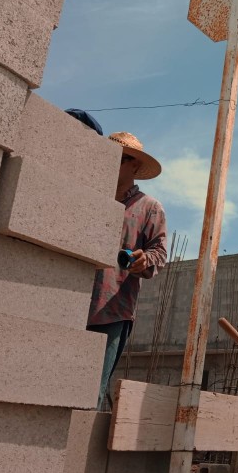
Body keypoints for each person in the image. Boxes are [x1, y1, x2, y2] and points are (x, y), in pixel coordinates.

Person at [87, 132, 167, 410]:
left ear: (135, 166)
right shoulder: (89, 195)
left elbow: (159, 253)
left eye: (121, 159)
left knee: (90, 392)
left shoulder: (149, 208)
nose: (113, 163)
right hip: (71, 299)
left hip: (112, 310)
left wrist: (144, 261)